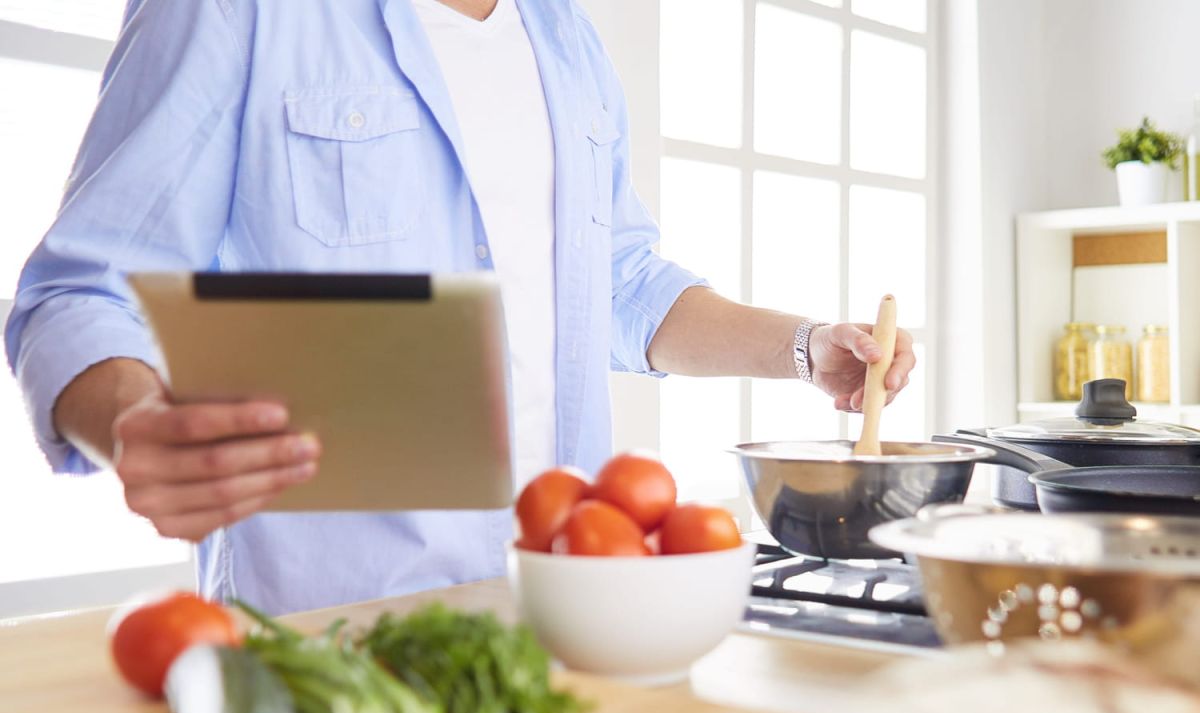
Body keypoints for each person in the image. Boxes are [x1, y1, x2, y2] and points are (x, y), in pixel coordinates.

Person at [4, 0, 915, 614]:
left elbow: (615, 282)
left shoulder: (567, 38)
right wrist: (133, 424)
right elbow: (79, 290)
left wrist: (805, 348)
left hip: (561, 609)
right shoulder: (237, 11)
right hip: (327, 627)